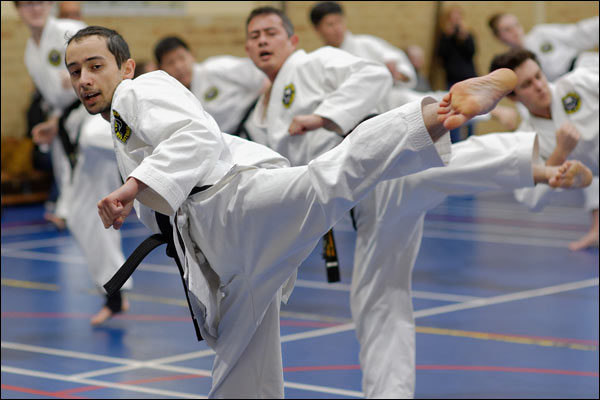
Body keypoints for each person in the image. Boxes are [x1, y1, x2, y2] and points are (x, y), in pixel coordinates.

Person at [63, 20, 534, 396]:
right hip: (217, 248)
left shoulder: (139, 91)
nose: (84, 79)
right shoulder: (122, 119)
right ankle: (437, 116)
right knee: (241, 361)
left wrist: (132, 187)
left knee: (330, 176)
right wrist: (140, 199)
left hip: (231, 209)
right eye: (74, 71)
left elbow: (195, 137)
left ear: (125, 68)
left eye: (95, 66)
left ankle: (440, 112)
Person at [15, 0, 130, 324]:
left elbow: (106, 68)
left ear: (50, 4)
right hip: (70, 128)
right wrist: (53, 122)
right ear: (18, 10)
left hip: (96, 117)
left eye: (40, 2)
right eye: (26, 4)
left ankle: (152, 157)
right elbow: (57, 100)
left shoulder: (70, 33)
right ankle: (115, 294)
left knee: (106, 143)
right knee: (84, 214)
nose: (35, 9)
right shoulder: (29, 52)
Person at [490, 48, 599, 250]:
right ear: (512, 97)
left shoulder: (577, 83)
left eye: (538, 76)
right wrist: (561, 152)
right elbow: (531, 199)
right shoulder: (526, 139)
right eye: (527, 85)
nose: (539, 86)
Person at [153, 36, 268, 135]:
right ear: (161, 69)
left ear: (192, 55)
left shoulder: (216, 68)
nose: (178, 66)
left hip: (257, 130)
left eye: (181, 58)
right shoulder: (175, 98)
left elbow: (263, 75)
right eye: (170, 62)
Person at [488, 13, 599, 82]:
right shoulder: (511, 64)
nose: (515, 31)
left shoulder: (540, 33)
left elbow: (578, 34)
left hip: (585, 66)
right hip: (565, 88)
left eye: (516, 25)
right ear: (498, 37)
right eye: (507, 29)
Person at [437, 5, 478, 143]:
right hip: (453, 80)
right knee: (453, 112)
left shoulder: (467, 34)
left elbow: (471, 52)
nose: (456, 20)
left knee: (473, 113)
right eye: (453, 17)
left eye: (458, 17)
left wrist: (464, 37)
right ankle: (455, 143)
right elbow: (441, 55)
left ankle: (471, 141)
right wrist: (447, 37)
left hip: (469, 78)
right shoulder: (444, 36)